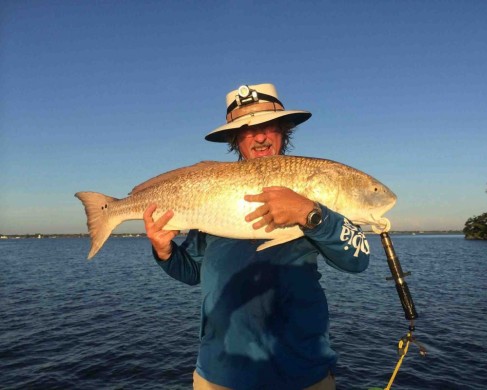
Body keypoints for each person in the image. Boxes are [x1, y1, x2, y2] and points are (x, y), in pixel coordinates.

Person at [143, 83, 370, 390]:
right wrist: (164, 251)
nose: (260, 137)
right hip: (219, 375)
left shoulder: (314, 186)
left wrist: (311, 215)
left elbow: (357, 259)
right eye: (247, 130)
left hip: (304, 374)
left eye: (269, 126)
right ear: (234, 139)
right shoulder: (208, 193)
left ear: (284, 131)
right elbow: (192, 271)